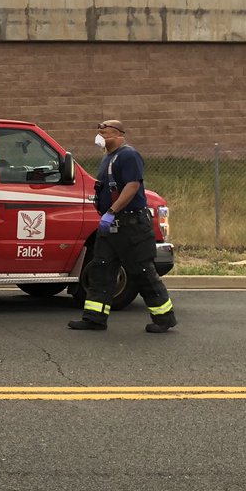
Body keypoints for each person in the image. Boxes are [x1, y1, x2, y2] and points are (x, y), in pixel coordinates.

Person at [68, 119, 177, 333]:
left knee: (142, 271)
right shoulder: (108, 158)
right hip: (112, 228)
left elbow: (132, 185)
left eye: (106, 133)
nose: (101, 137)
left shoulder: (128, 155)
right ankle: (94, 318)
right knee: (101, 270)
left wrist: (111, 212)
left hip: (131, 226)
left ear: (119, 134)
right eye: (100, 132)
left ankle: (164, 318)